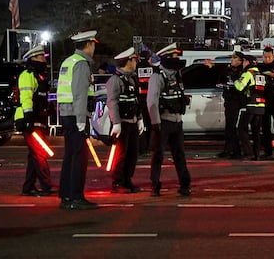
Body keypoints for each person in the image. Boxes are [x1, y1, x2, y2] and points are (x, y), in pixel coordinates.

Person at [57, 30, 99, 210]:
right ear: (88, 44)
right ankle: (76, 196)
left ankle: (66, 195)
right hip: (76, 115)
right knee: (79, 157)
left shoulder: (68, 61)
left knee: (69, 156)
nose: (94, 47)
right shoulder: (81, 64)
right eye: (94, 44)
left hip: (66, 114)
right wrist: (82, 121)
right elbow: (80, 95)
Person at [148, 43, 191, 196]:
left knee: (180, 155)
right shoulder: (157, 77)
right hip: (163, 122)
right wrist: (156, 123)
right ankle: (155, 185)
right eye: (174, 57)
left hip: (177, 121)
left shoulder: (177, 75)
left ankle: (185, 184)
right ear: (167, 59)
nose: (177, 59)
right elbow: (152, 101)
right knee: (158, 155)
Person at [15, 44, 56, 197]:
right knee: (40, 153)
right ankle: (46, 185)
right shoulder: (27, 75)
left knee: (34, 155)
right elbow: (26, 98)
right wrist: (28, 118)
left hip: (39, 121)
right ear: (33, 59)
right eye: (40, 57)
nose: (43, 60)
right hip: (30, 121)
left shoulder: (39, 76)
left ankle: (29, 187)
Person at [106, 47, 144, 193]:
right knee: (120, 154)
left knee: (132, 154)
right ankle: (117, 181)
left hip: (133, 122)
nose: (136, 63)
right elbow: (112, 102)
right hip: (122, 123)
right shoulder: (115, 80)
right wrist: (116, 123)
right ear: (128, 61)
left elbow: (136, 100)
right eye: (134, 60)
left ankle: (127, 180)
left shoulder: (133, 78)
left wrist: (140, 118)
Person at [205, 52, 245, 159]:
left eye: (235, 58)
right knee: (228, 127)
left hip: (236, 101)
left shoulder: (242, 71)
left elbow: (239, 86)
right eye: (232, 58)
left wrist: (230, 85)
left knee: (232, 127)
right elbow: (220, 76)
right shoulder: (228, 70)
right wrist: (212, 67)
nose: (232, 60)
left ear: (240, 61)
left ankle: (237, 152)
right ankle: (228, 150)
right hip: (229, 100)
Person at [234, 53, 266, 161]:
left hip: (251, 105)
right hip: (261, 106)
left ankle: (248, 153)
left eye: (244, 62)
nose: (242, 64)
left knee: (241, 129)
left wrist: (234, 82)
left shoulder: (248, 73)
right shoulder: (260, 74)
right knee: (256, 132)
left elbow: (239, 86)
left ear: (248, 62)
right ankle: (257, 155)